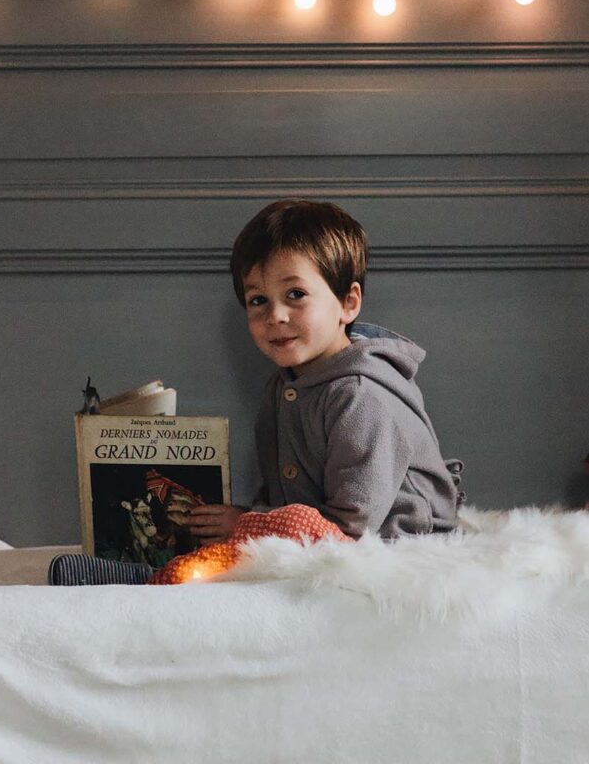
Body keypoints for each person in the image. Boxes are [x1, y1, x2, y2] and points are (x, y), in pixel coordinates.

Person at [189, 198, 460, 545]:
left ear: (348, 303)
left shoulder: (361, 395)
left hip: (399, 548)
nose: (276, 316)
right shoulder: (285, 386)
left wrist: (247, 526)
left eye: (296, 294)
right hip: (320, 545)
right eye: (258, 300)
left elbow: (353, 526)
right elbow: (286, 499)